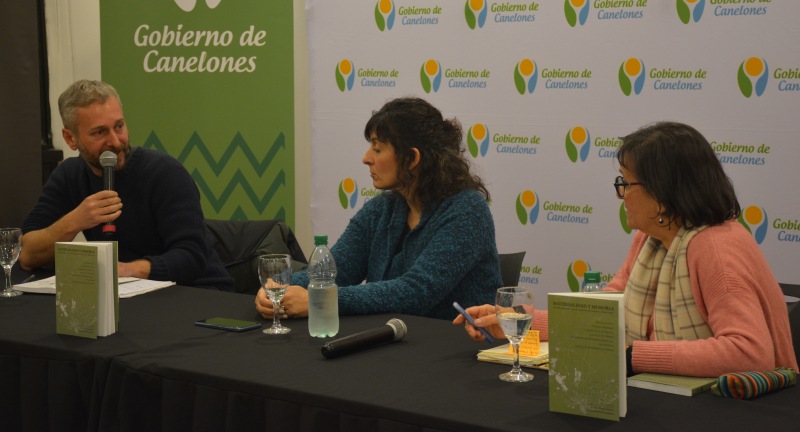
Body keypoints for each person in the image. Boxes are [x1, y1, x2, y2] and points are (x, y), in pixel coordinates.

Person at [455, 121, 798, 377]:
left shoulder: (716, 248)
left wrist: (632, 356)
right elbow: (604, 316)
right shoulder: (650, 239)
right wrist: (518, 320)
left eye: (625, 183)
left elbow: (751, 354)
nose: (620, 194)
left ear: (664, 193)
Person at [255, 97, 502, 320]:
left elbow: (416, 292)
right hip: (393, 343)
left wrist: (321, 300)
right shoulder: (382, 208)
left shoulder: (467, 210)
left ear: (413, 159)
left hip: (454, 351)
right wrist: (278, 287)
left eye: (377, 148)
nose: (366, 158)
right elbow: (335, 270)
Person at [20, 79, 234, 291]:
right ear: (70, 138)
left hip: (197, 292)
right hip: (127, 296)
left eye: (119, 126)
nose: (115, 141)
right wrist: (75, 221)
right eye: (99, 132)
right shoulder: (69, 175)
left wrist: (126, 271)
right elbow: (28, 256)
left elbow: (192, 256)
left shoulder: (164, 173)